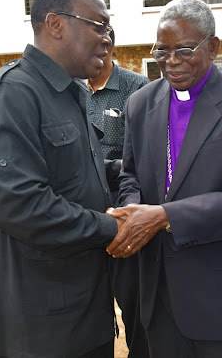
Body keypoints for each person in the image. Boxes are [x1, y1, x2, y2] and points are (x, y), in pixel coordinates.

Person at [106, 0, 222, 357]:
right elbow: (131, 175)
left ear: (213, 47)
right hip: (159, 296)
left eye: (184, 50)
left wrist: (162, 217)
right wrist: (133, 212)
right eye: (162, 51)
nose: (171, 61)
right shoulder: (141, 103)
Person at [0, 0, 122, 357]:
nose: (107, 38)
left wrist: (129, 171)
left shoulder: (68, 92)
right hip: (40, 328)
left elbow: (72, 174)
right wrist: (112, 228)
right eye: (99, 26)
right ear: (55, 24)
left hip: (83, 313)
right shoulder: (12, 94)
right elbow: (18, 204)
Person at [86, 28, 150, 357]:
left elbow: (141, 161)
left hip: (124, 209)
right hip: (81, 212)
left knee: (133, 301)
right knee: (89, 305)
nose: (98, 48)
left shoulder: (136, 88)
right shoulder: (69, 89)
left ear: (112, 44)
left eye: (104, 41)